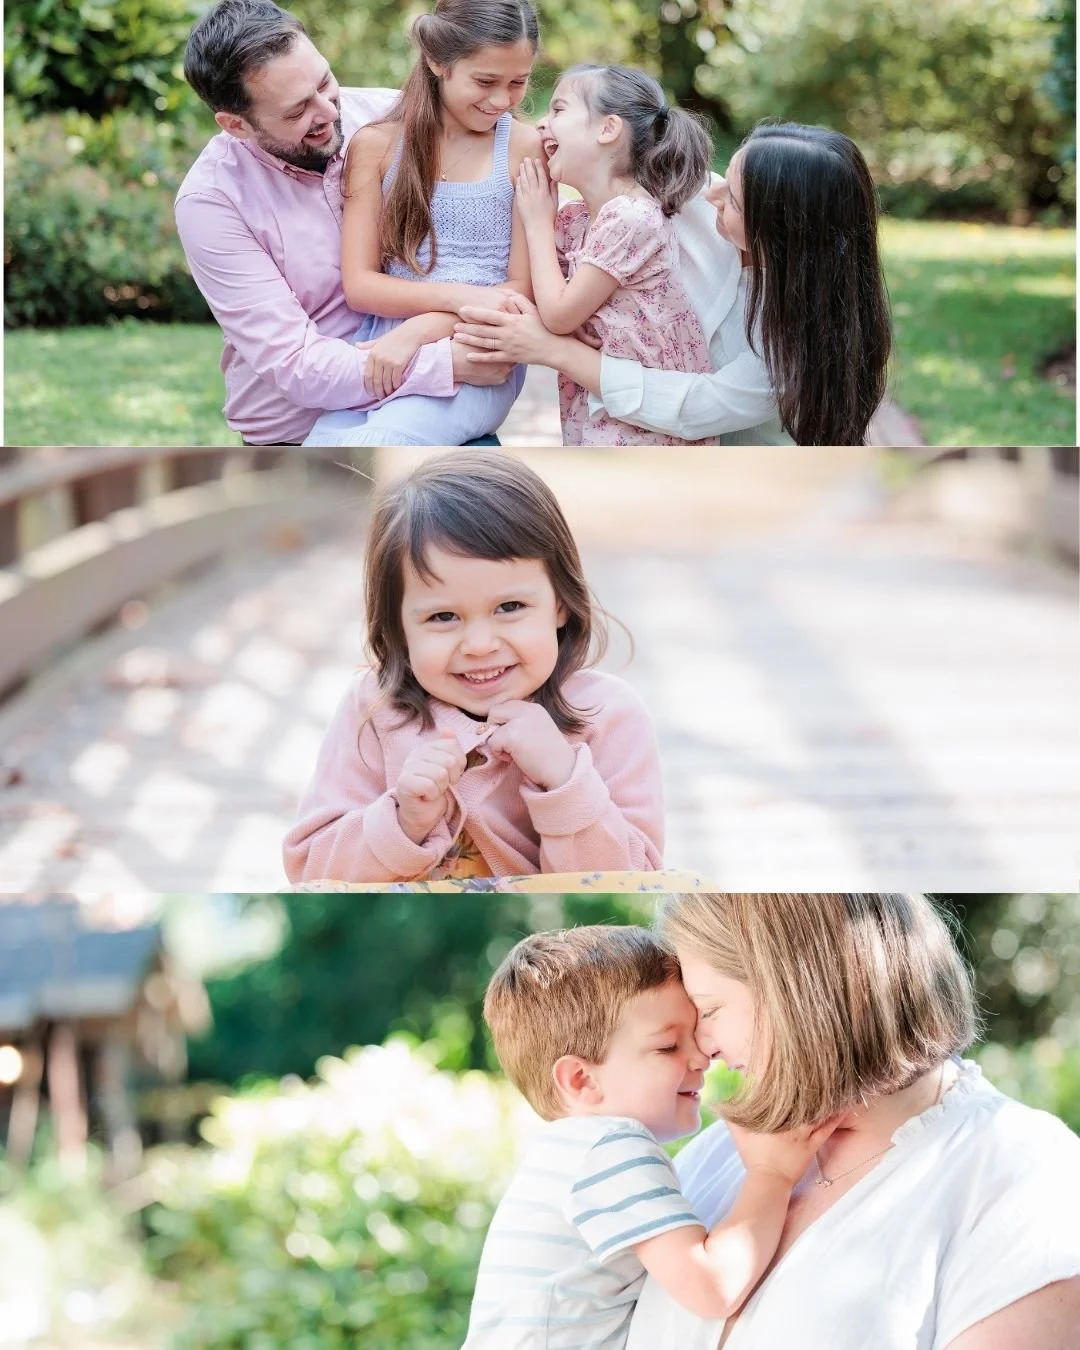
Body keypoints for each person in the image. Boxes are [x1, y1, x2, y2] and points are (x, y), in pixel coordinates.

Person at [622, 893, 1080, 1350]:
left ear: (801, 989)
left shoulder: (1021, 1175)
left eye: (710, 1010)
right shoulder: (722, 1152)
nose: (704, 1047)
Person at [282, 451, 664, 883]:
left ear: (560, 602)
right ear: (399, 627)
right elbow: (309, 872)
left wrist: (563, 780)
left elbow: (639, 883)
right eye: (443, 616)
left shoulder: (607, 717)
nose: (480, 646)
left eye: (510, 607)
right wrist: (403, 821)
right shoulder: (375, 710)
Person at [463, 925, 836, 1348]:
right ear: (582, 1079)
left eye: (695, 1034)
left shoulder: (566, 1150)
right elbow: (713, 1287)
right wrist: (772, 1173)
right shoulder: (611, 1148)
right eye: (668, 1046)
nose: (702, 1057)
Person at [175, 0, 518, 445]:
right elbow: (295, 364)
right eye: (297, 111)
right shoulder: (211, 201)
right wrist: (443, 364)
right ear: (236, 125)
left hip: (435, 409)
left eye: (324, 82)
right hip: (298, 434)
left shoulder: (391, 119)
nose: (329, 112)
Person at [455, 122, 893, 446]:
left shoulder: (797, 341)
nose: (711, 194)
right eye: (726, 177)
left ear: (782, 234)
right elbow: (605, 214)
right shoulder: (692, 201)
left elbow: (694, 406)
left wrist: (552, 349)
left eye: (732, 198)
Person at [304, 0, 543, 447]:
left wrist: (421, 330)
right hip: (384, 348)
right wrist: (451, 305)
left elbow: (522, 290)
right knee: (322, 449)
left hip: (477, 351)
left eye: (518, 82)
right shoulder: (376, 146)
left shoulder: (523, 148)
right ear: (437, 62)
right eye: (485, 81)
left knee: (380, 442)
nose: (501, 100)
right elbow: (361, 285)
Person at [513, 64, 713, 446]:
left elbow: (557, 314)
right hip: (604, 413)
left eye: (558, 110)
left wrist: (537, 222)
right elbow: (544, 295)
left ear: (608, 129)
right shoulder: (576, 221)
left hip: (651, 428)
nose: (541, 124)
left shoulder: (633, 217)